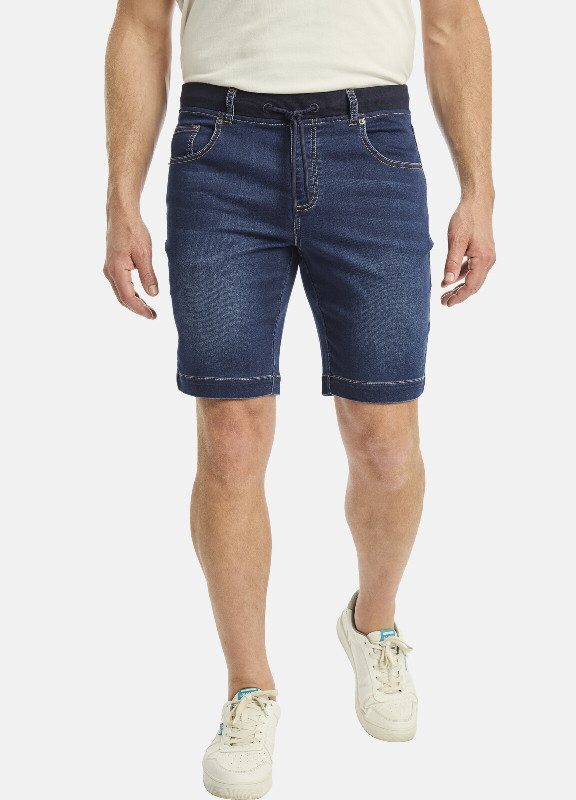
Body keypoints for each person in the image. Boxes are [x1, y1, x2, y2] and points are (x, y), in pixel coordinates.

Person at [104, 0, 495, 796]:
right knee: (231, 437)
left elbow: (453, 20)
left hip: (371, 143)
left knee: (385, 438)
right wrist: (120, 198)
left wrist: (480, 189)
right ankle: (249, 688)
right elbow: (141, 22)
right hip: (219, 146)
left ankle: (372, 624)